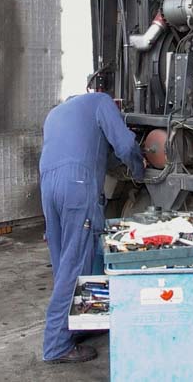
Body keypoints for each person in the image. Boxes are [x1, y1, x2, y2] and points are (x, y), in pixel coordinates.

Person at [39, 92, 145, 363]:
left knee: (63, 263)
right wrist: (139, 170)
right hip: (76, 185)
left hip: (48, 185)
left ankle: (76, 325)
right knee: (75, 266)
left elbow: (95, 151)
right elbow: (124, 145)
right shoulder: (100, 101)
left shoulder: (56, 113)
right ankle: (57, 345)